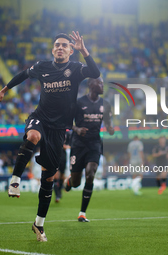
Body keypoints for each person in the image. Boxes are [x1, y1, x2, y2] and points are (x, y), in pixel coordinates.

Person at [0, 32, 100, 241]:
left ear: (70, 50)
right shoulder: (42, 66)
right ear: (53, 50)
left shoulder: (77, 68)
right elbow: (24, 75)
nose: (60, 48)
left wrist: (84, 51)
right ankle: (15, 180)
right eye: (57, 45)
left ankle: (39, 224)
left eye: (64, 45)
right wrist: (5, 89)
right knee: (33, 136)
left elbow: (95, 72)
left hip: (59, 128)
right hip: (40, 117)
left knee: (49, 177)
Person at [64, 77, 114, 222]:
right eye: (100, 84)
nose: (102, 86)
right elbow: (67, 122)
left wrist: (110, 128)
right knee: (76, 183)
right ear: (91, 85)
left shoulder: (106, 104)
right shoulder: (79, 102)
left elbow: (108, 121)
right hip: (78, 144)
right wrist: (77, 129)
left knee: (91, 173)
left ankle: (82, 213)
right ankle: (69, 182)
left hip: (94, 144)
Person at [54, 130, 72, 203]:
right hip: (56, 154)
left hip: (63, 156)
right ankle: (57, 195)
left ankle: (59, 190)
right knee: (56, 176)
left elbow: (71, 145)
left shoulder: (68, 134)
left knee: (61, 176)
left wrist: (66, 146)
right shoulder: (55, 131)